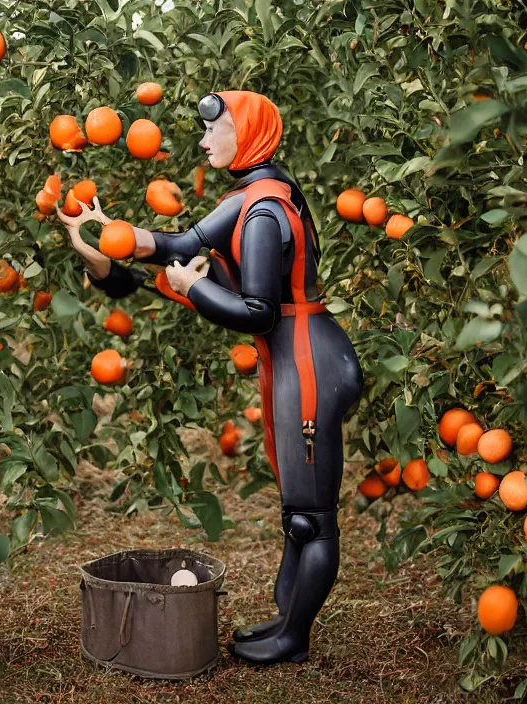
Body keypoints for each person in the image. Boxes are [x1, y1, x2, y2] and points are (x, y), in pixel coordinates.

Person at [57, 91, 364, 665]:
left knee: (311, 517)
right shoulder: (251, 196)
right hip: (290, 359)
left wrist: (193, 285)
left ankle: (294, 637)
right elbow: (178, 244)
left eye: (213, 130)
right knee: (296, 512)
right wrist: (106, 230)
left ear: (245, 132)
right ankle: (285, 619)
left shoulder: (266, 211)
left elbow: (259, 311)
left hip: (308, 360)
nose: (202, 141)